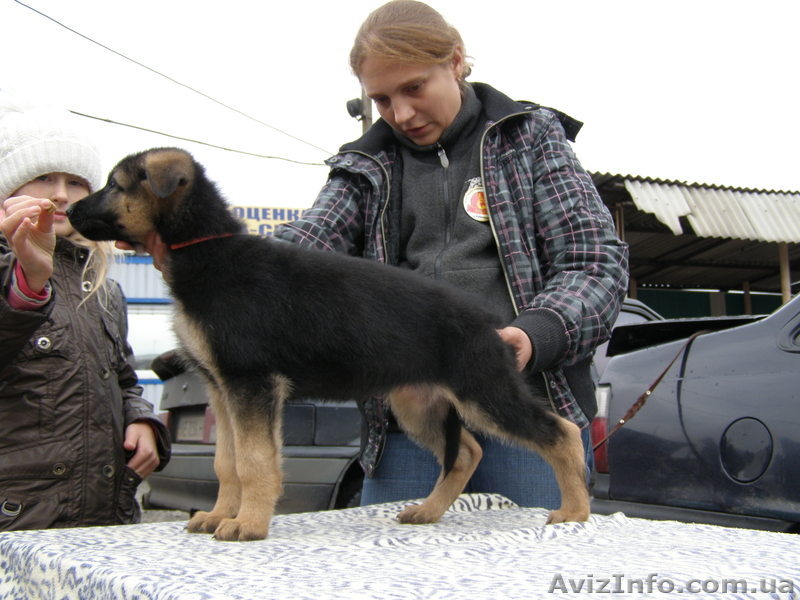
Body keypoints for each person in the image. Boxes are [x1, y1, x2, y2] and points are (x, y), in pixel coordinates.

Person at [273, 0, 629, 509]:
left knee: (528, 581)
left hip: (522, 414)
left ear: (456, 60)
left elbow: (593, 262)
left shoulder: (530, 139)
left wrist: (534, 334)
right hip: (409, 432)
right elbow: (310, 243)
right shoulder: (364, 166)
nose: (401, 114)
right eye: (382, 99)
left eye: (414, 88)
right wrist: (213, 252)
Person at [0, 91, 171, 531]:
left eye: (75, 183)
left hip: (106, 515)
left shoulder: (103, 286)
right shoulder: (11, 271)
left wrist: (143, 420)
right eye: (43, 178)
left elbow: (124, 378)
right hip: (21, 522)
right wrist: (29, 282)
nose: (60, 195)